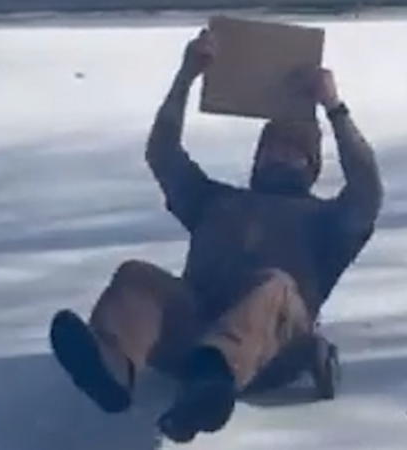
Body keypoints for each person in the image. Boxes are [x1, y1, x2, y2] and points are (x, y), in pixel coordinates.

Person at [49, 26, 383, 443]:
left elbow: (367, 191)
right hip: (194, 332)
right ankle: (112, 367)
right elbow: (163, 155)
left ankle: (213, 380)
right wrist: (186, 76)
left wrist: (334, 108)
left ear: (312, 166)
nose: (281, 154)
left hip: (271, 354)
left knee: (273, 286)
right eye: (273, 146)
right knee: (136, 275)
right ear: (257, 156)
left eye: (296, 151)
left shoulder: (327, 221)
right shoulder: (215, 200)